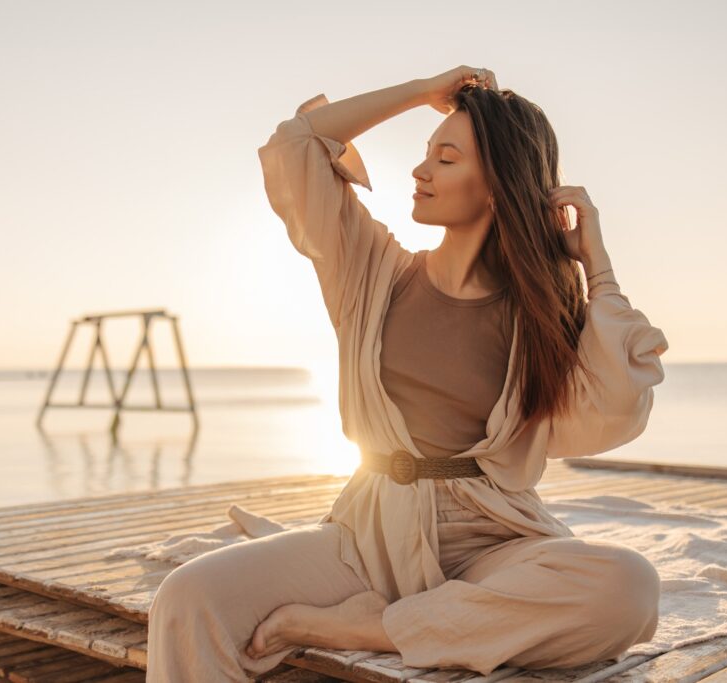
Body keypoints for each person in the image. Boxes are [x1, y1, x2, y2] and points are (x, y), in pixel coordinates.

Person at [145, 66, 668, 682]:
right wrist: (425, 91)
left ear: (498, 186)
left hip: (495, 537)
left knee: (628, 588)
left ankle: (357, 625)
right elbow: (296, 144)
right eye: (426, 155)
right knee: (187, 596)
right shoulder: (371, 271)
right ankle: (427, 619)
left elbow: (614, 412)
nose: (420, 171)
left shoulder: (543, 313)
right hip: (367, 536)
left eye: (446, 158)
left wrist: (595, 265)